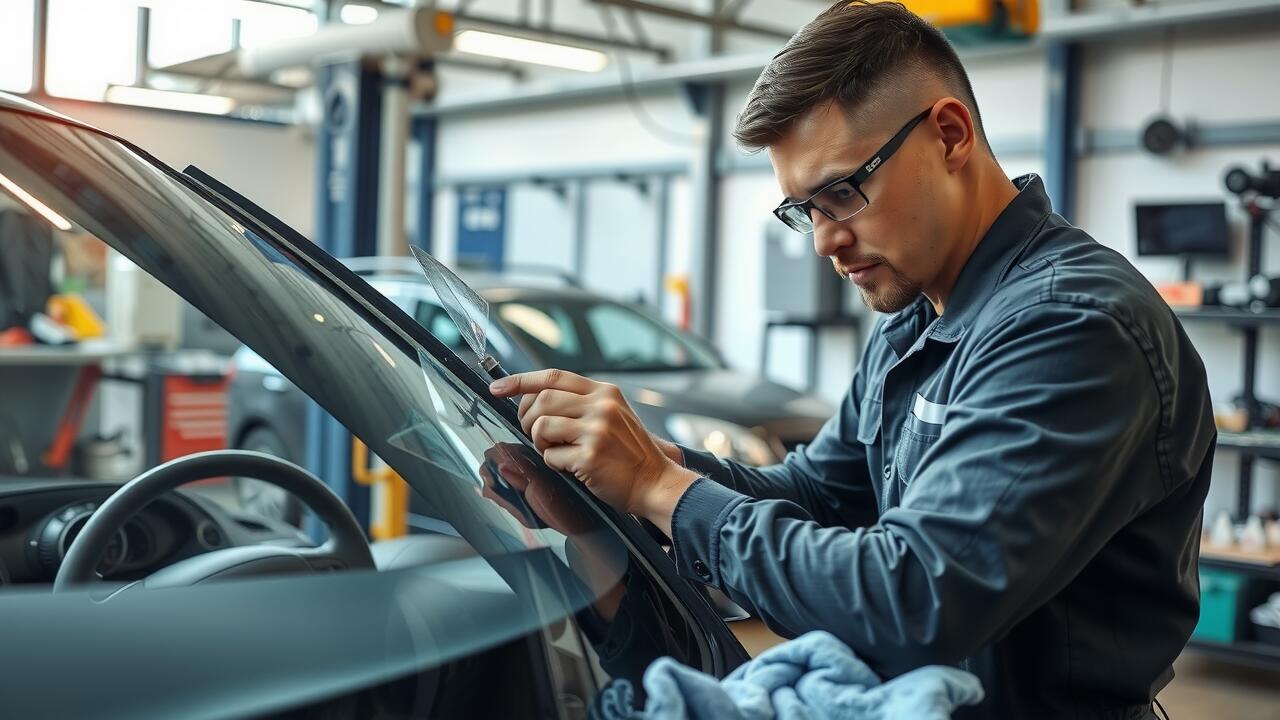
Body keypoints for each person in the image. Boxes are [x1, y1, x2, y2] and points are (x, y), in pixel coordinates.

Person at [489, 2, 1217, 717]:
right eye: (804, 208)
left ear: (951, 135)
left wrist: (660, 488)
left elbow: (915, 602)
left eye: (841, 192)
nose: (823, 241)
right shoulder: (919, 313)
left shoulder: (1071, 327)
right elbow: (820, 496)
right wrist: (633, 467)